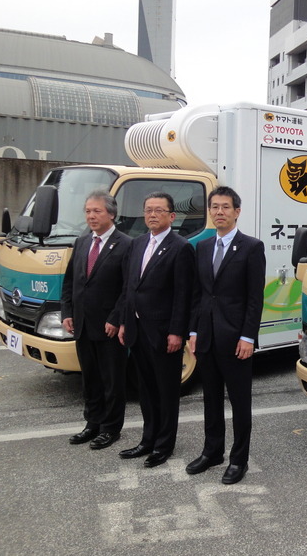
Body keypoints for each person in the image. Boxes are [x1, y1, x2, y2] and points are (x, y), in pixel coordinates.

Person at [186, 186, 265, 484]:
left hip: (235, 340)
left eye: (225, 207)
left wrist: (248, 337)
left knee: (240, 402)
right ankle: (212, 451)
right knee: (211, 398)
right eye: (215, 207)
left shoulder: (251, 247)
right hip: (206, 336)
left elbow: (254, 299)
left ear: (237, 212)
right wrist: (193, 330)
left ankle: (238, 459)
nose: (219, 212)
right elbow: (198, 294)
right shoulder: (203, 247)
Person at [118, 192, 195, 467]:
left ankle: (164, 445)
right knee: (146, 390)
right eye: (148, 210)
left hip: (164, 333)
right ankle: (147, 439)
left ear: (171, 216)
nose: (152, 215)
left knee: (166, 391)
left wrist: (177, 332)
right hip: (138, 330)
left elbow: (183, 294)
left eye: (159, 210)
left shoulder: (181, 247)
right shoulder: (137, 243)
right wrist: (125, 321)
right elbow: (130, 287)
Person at [61, 191, 131, 450]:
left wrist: (116, 318)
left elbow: (128, 288)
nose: (91, 216)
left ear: (111, 214)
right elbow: (70, 281)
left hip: (109, 327)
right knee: (89, 378)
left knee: (112, 380)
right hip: (82, 324)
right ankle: (92, 423)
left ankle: (111, 428)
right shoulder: (81, 242)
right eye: (88, 211)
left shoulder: (126, 244)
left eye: (97, 211)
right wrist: (67, 312)